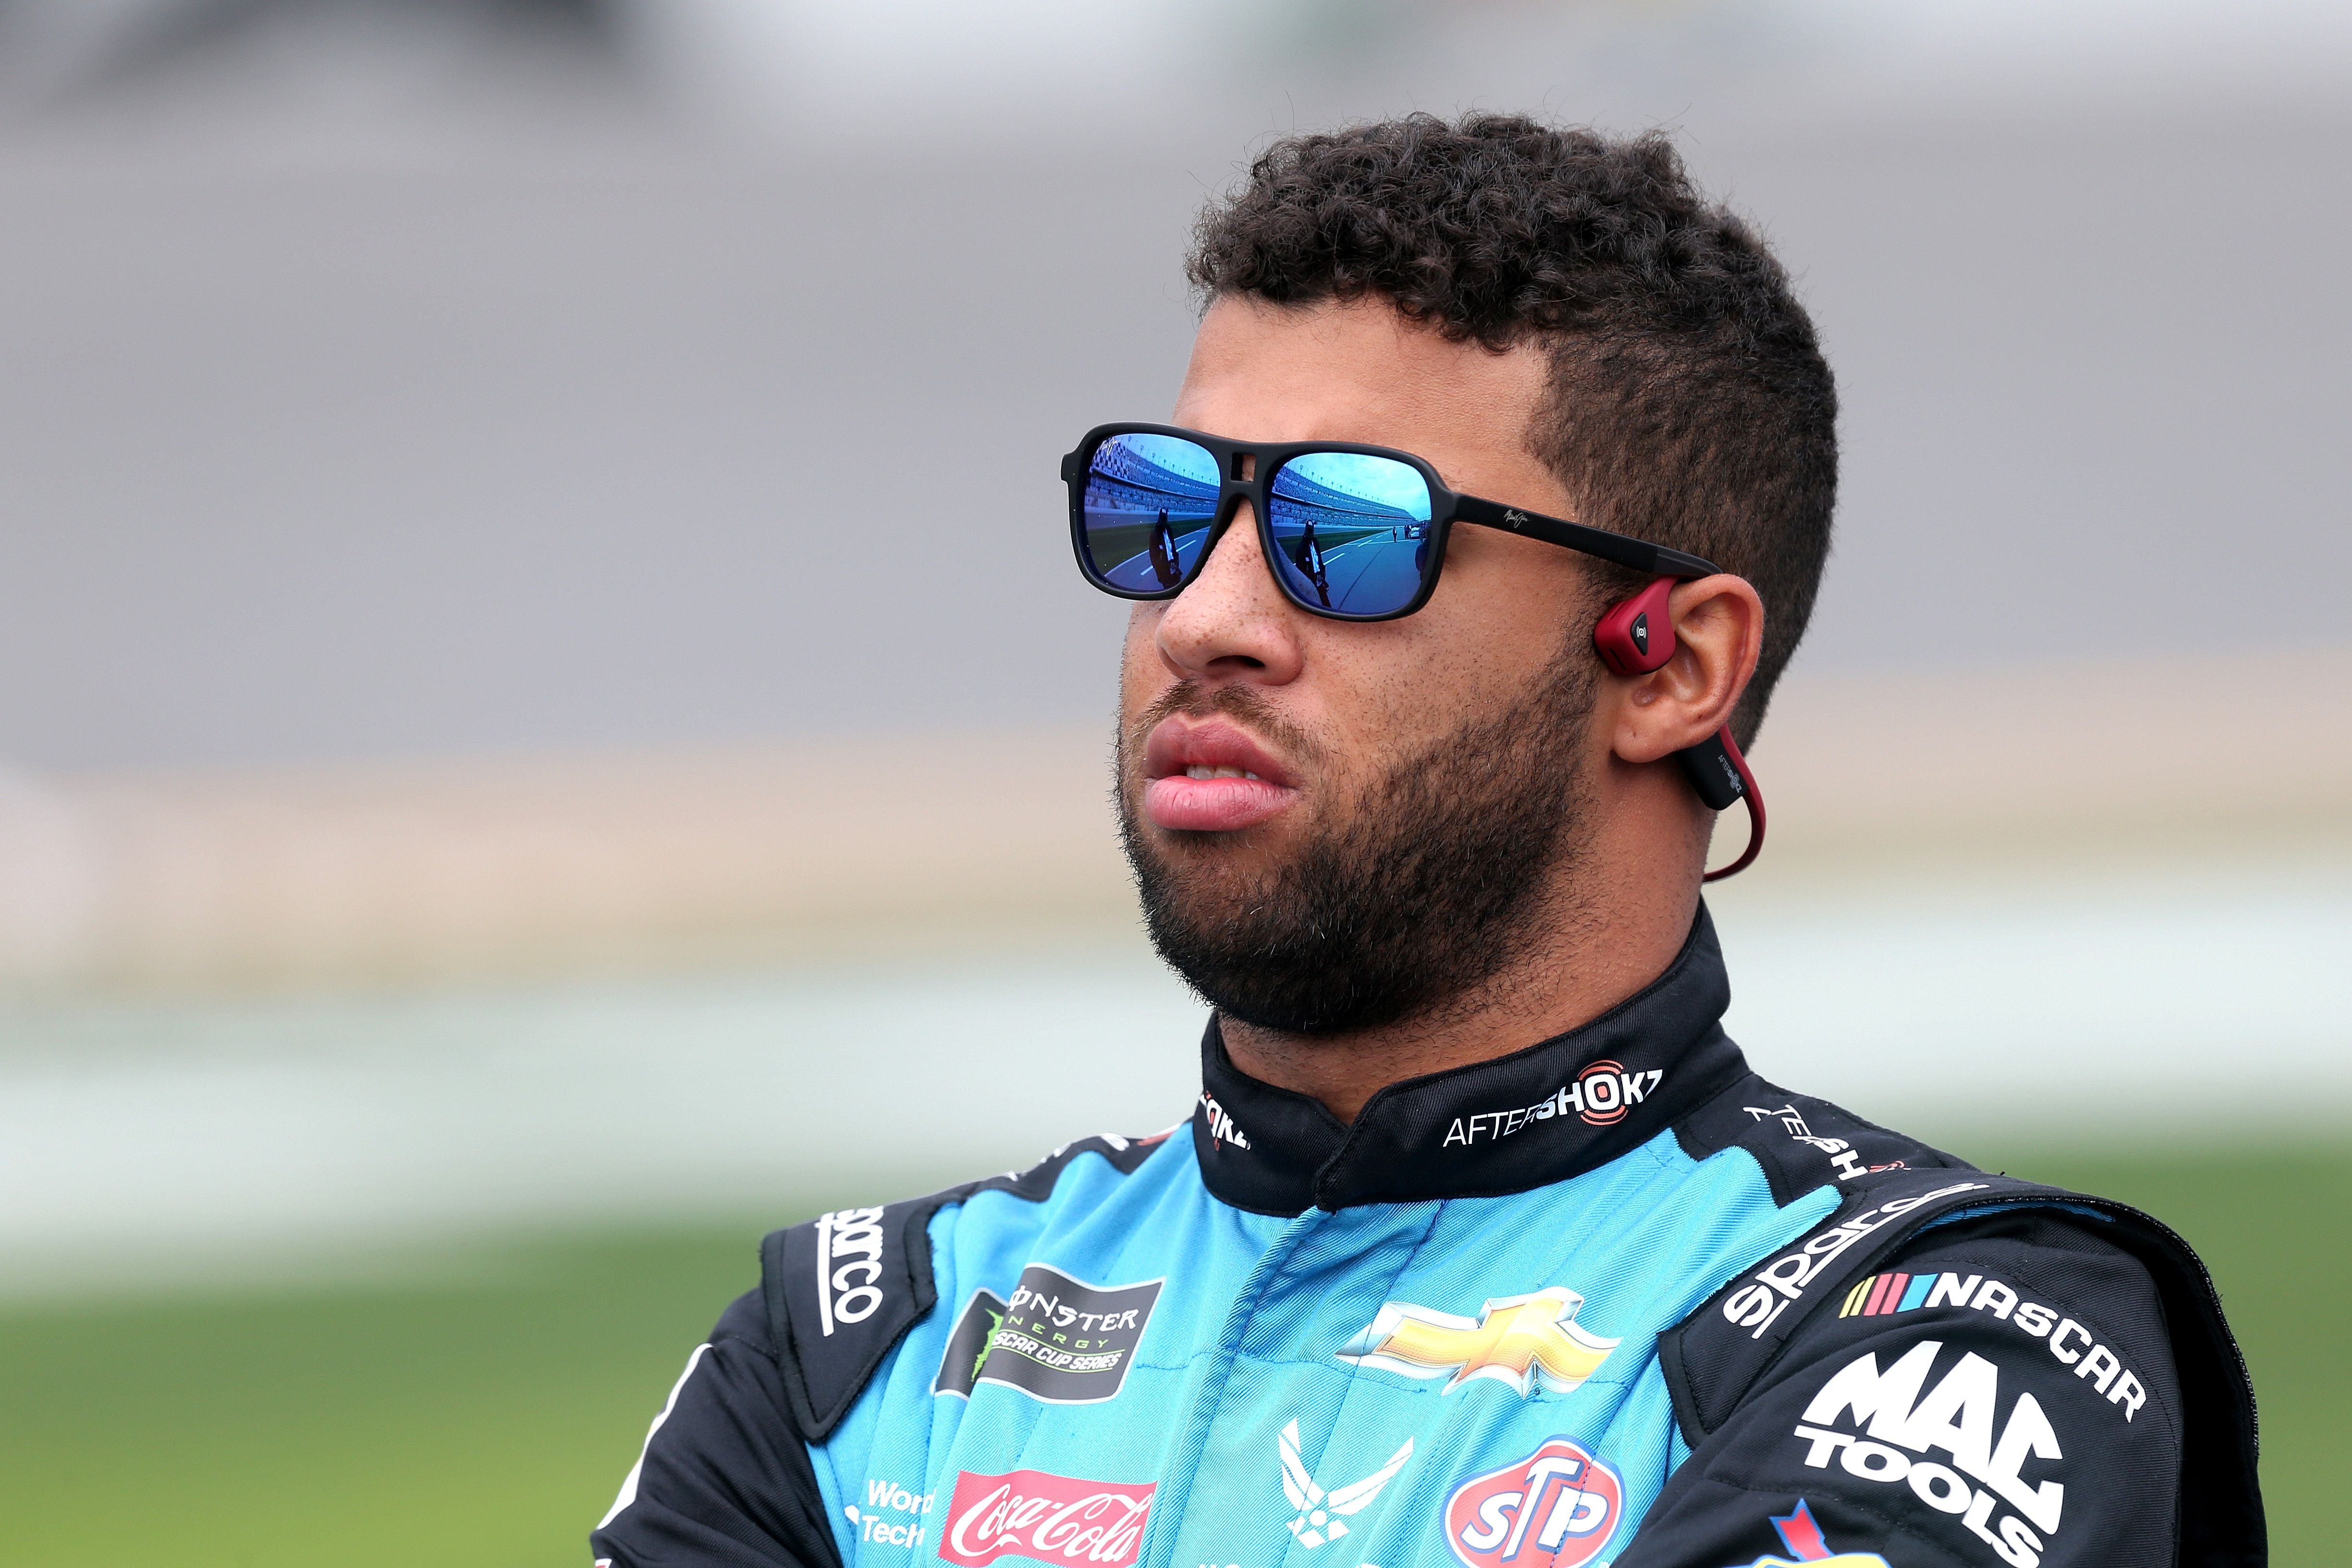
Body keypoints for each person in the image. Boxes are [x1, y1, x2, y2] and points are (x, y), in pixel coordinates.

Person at [590, 114, 2260, 1568]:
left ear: (1673, 663)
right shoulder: (873, 1337)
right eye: (1168, 509)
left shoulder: (1950, 1333)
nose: (1207, 617)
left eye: (1348, 534)